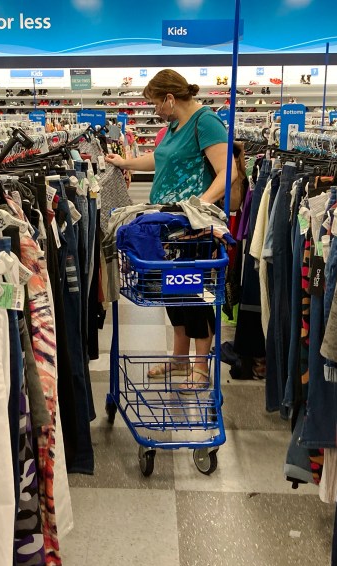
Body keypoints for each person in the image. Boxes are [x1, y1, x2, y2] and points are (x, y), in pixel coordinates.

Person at [105, 68, 236, 390]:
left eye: (154, 103)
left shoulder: (205, 122)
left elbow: (227, 171)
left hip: (192, 228)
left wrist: (200, 207)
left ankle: (201, 368)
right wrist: (124, 163)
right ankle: (179, 360)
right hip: (167, 224)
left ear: (169, 98)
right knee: (173, 292)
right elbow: (160, 159)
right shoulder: (175, 126)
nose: (154, 110)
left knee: (195, 295)